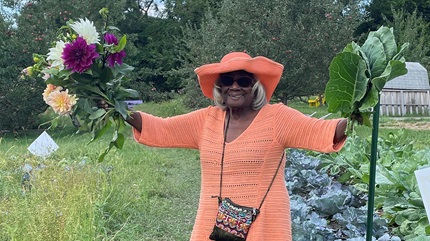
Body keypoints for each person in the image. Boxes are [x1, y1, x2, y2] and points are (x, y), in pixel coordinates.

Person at [125, 52, 347, 241]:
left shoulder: (278, 117)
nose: (234, 86)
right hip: (214, 220)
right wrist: (118, 108)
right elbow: (162, 128)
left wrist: (356, 113)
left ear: (255, 86)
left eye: (243, 81)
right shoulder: (206, 120)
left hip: (265, 221)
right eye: (227, 80)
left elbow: (322, 131)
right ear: (219, 86)